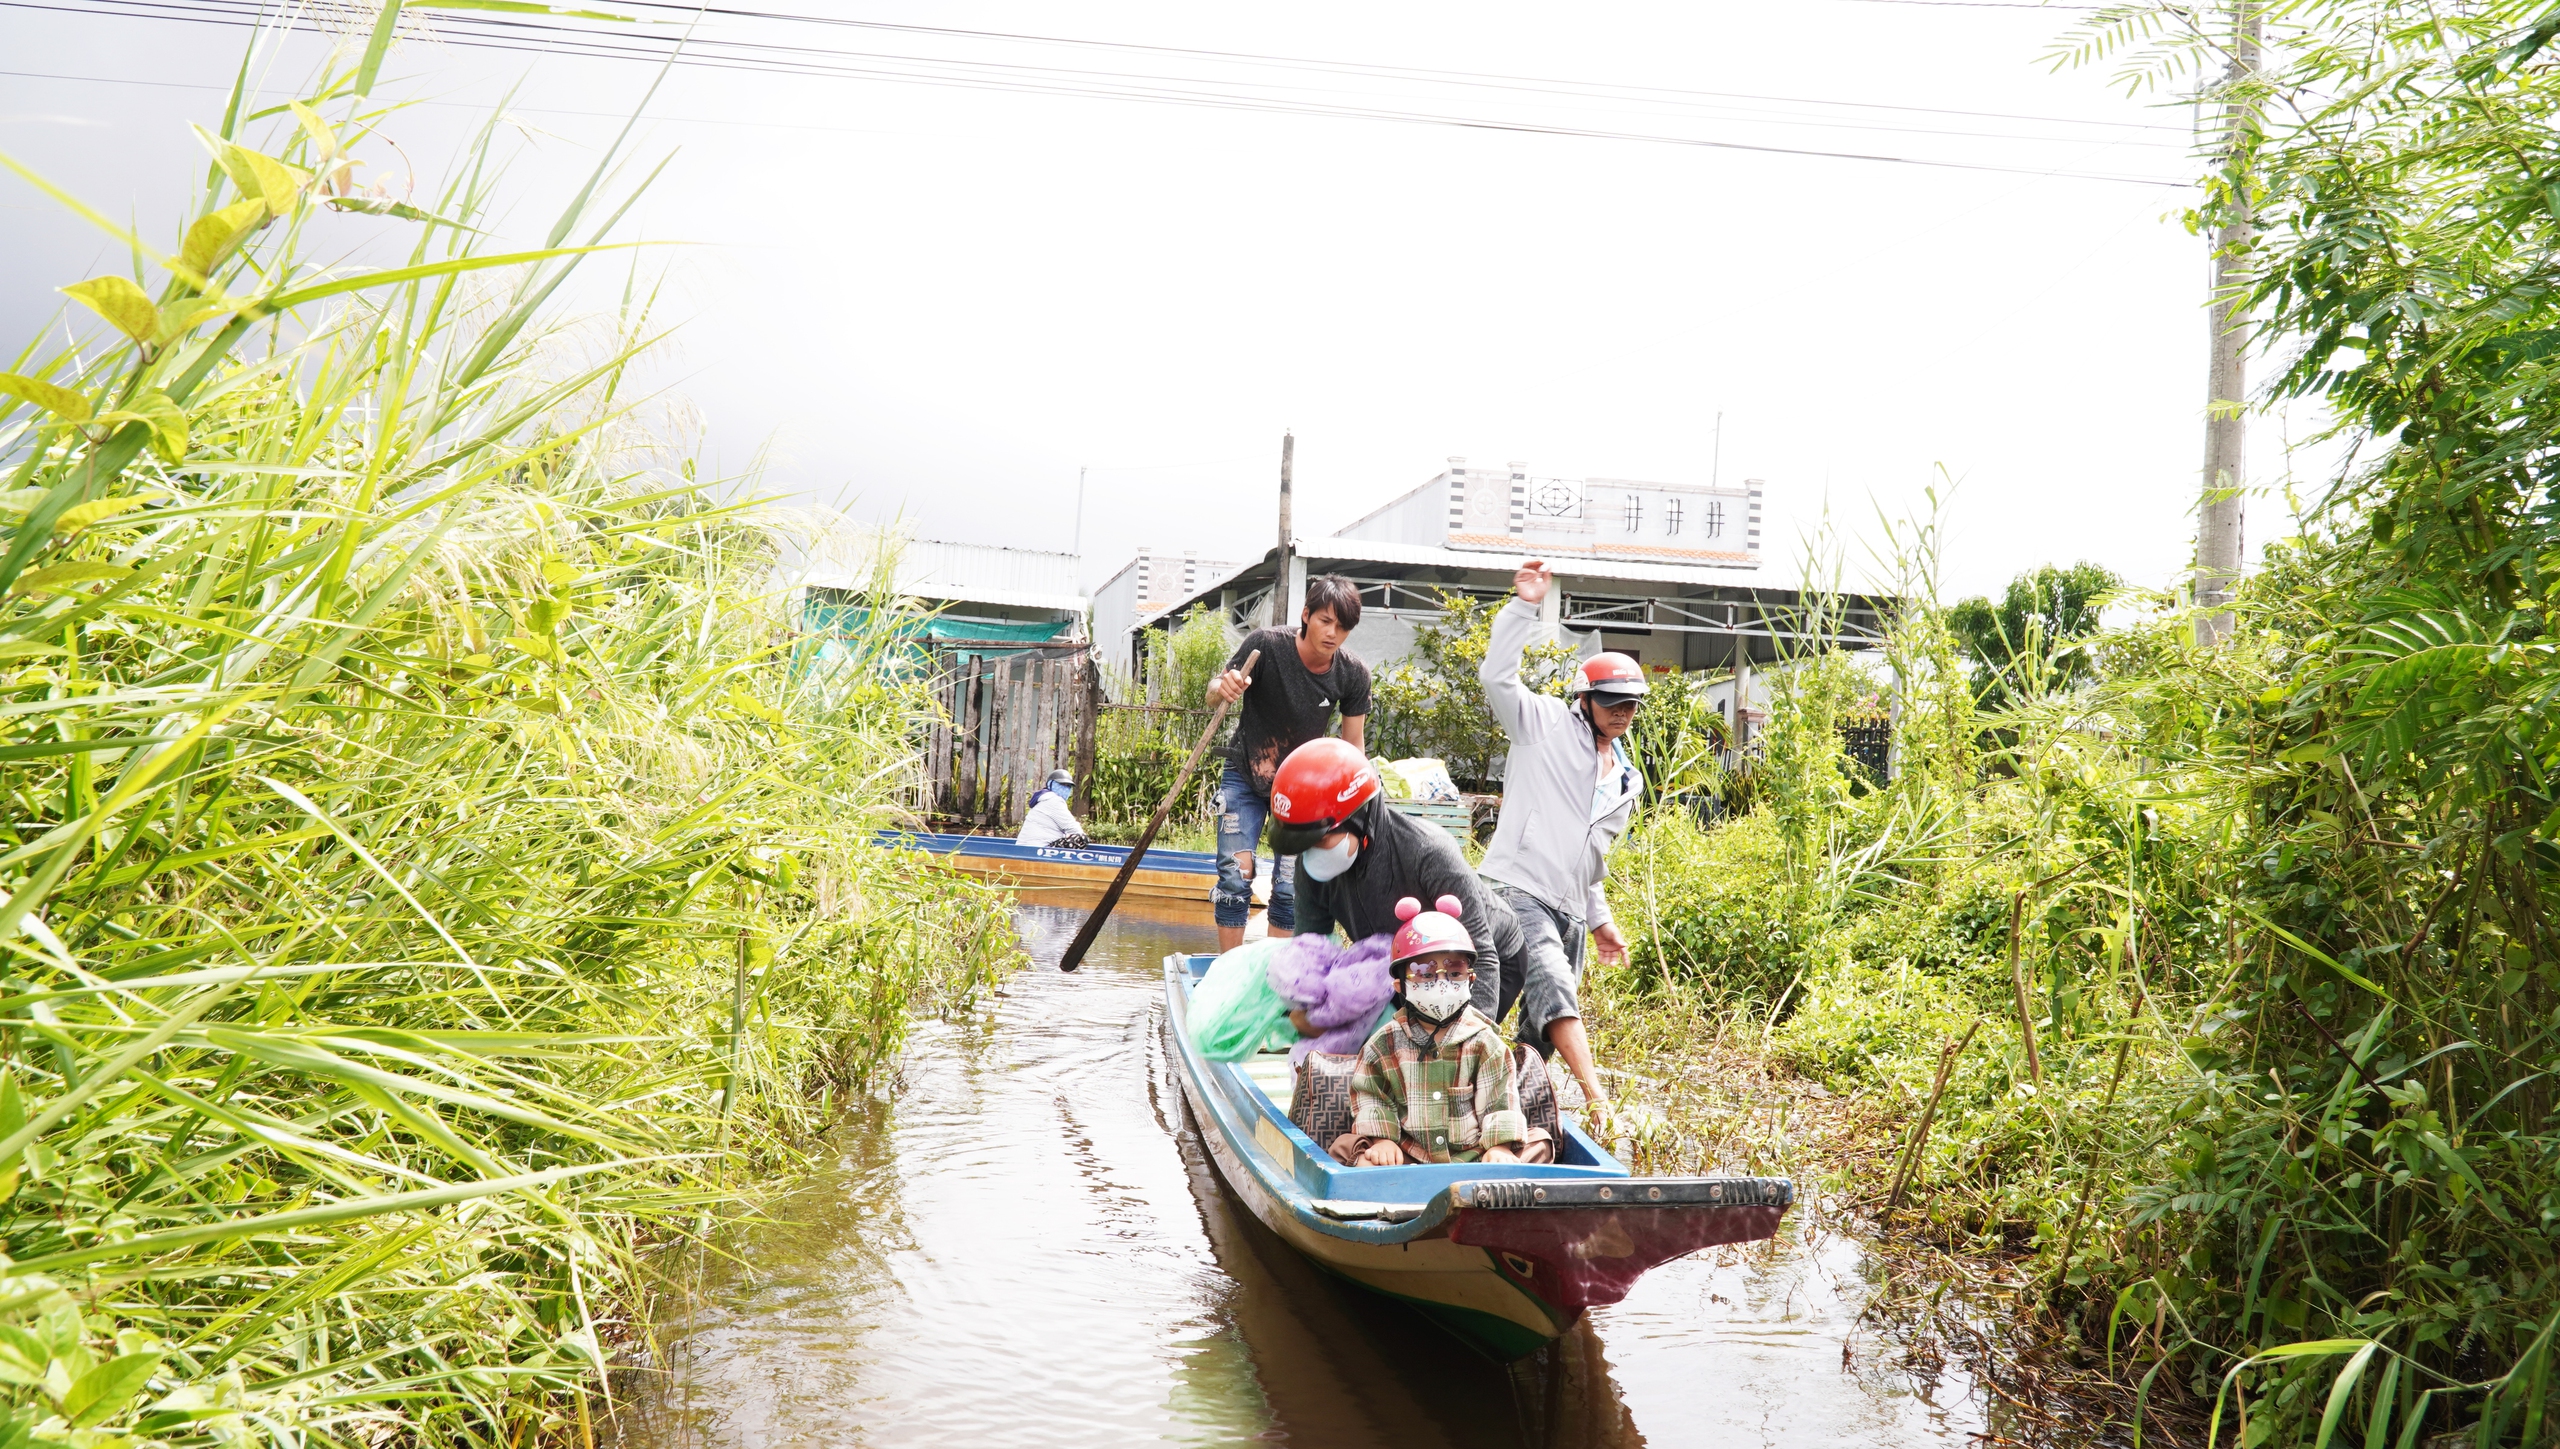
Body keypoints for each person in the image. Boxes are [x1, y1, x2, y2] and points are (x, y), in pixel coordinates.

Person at [1476, 559, 1645, 1117]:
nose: (1622, 712)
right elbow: (1497, 678)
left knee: (1539, 1029)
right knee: (1550, 983)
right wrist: (1525, 606)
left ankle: (1510, 1101)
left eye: (1630, 704)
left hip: (1569, 906)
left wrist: (1600, 921)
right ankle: (1598, 1099)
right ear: (1585, 699)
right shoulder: (1541, 724)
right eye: (1612, 701)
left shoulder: (1625, 779)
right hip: (1517, 887)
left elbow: (1590, 859)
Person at [1265, 737, 1522, 1018]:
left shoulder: (1427, 851)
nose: (1311, 854)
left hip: (1482, 961)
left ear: (1360, 820)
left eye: (1321, 840)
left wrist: (1472, 1042)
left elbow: (1481, 957)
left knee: (1444, 1047)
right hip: (1407, 968)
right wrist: (1301, 1014)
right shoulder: (1312, 869)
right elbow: (1311, 953)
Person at [1205, 575, 1372, 951]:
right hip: (1245, 775)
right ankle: (1229, 974)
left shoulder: (1352, 674)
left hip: (1303, 791)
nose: (1333, 633)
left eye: (1343, 627)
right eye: (1325, 621)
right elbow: (1215, 693)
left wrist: (1354, 807)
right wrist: (1224, 687)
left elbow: (1353, 747)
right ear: (1306, 615)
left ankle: (1276, 978)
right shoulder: (1265, 646)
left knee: (1288, 885)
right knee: (1236, 874)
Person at [1328, 896, 1552, 1167]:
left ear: (1471, 980)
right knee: (1345, 1147)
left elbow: (1499, 1100)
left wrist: (1500, 1147)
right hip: (1408, 1156)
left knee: (1541, 1142)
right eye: (1425, 974)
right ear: (1400, 986)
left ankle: (1492, 1174)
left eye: (1454, 973)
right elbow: (1372, 1095)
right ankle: (1390, 1180)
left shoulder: (1485, 1043)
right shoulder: (1383, 1044)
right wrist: (1382, 1140)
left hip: (1473, 1156)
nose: (1442, 984)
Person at [1014, 769, 1089, 848]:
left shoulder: (1044, 798)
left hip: (1029, 846)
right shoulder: (1053, 800)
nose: (1065, 789)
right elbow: (1073, 829)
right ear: (1050, 784)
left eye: (1068, 786)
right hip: (1038, 847)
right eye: (1062, 784)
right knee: (1082, 839)